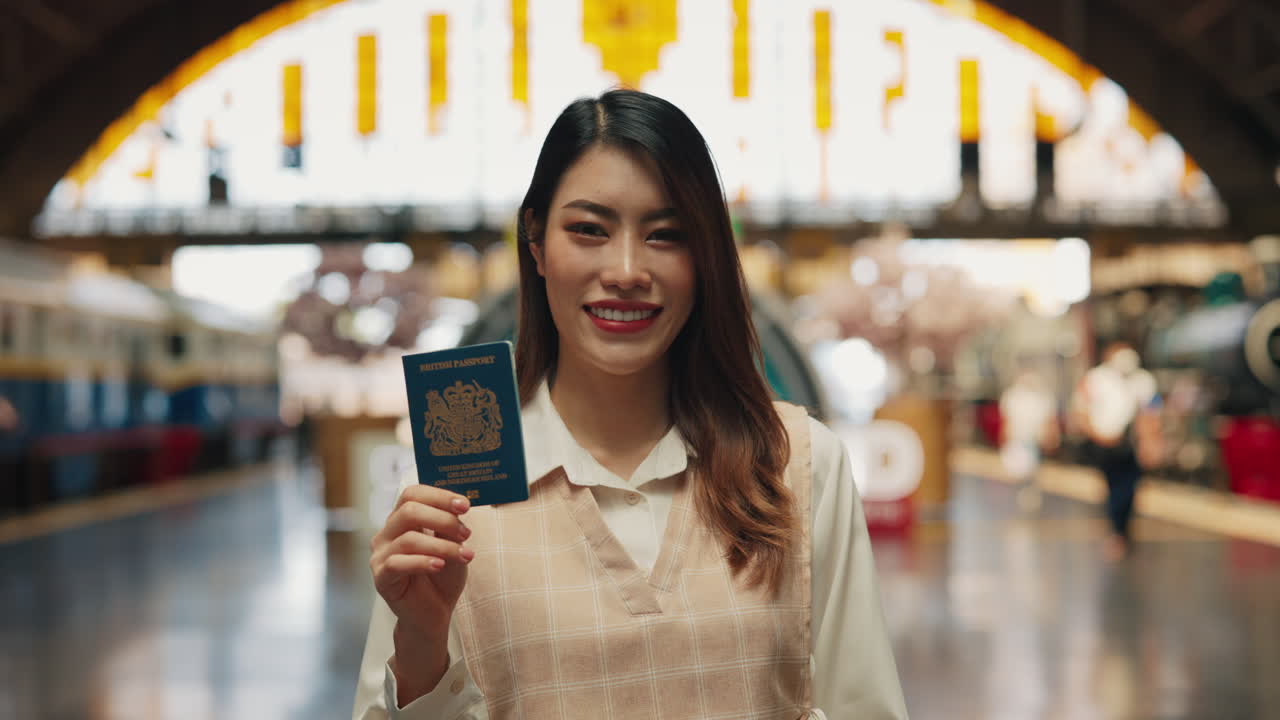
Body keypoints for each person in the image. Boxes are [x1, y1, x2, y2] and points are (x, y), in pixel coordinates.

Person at [353, 89, 907, 719]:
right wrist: (421, 642)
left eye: (666, 235)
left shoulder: (800, 467)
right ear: (535, 243)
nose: (625, 270)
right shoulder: (455, 485)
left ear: (705, 258)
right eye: (588, 230)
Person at [1071, 342, 1162, 561]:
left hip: (1130, 445)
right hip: (1105, 446)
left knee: (1129, 487)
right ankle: (1117, 530)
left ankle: (1122, 529)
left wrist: (1151, 443)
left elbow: (1151, 414)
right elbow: (1080, 411)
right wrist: (1098, 435)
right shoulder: (1095, 379)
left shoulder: (1143, 380)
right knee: (1114, 488)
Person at [998, 367, 1059, 512]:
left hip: (1035, 440)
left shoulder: (1043, 397)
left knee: (1032, 468)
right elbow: (1007, 420)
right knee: (1019, 469)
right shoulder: (1012, 396)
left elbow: (1049, 421)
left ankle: (1030, 493)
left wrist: (1050, 437)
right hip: (1018, 440)